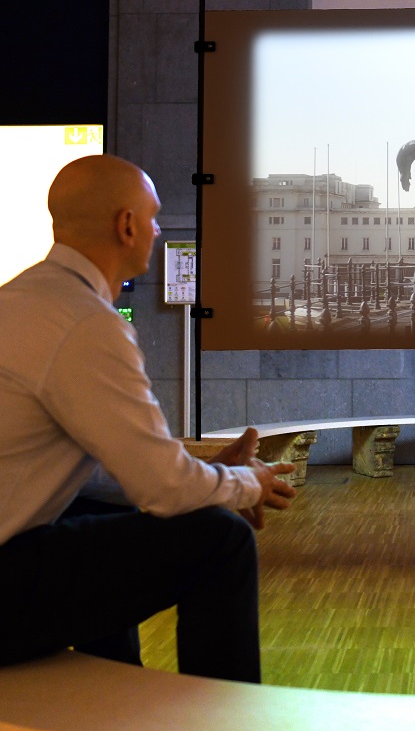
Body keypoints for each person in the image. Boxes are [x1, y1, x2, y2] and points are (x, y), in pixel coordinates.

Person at [0, 154, 297, 683]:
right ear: (127, 225)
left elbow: (106, 473)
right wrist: (245, 484)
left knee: (90, 511)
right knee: (219, 541)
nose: (159, 230)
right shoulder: (87, 323)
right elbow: (166, 492)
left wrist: (202, 470)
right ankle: (224, 720)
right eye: (154, 217)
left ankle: (114, 686)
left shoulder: (22, 298)